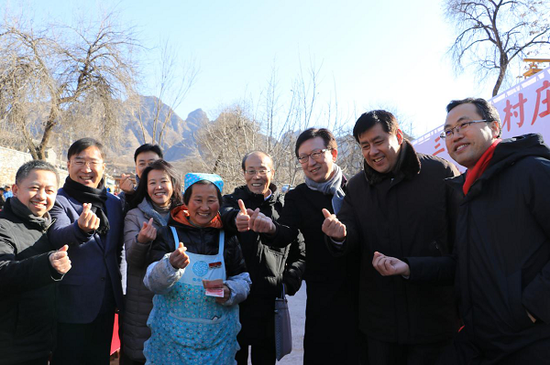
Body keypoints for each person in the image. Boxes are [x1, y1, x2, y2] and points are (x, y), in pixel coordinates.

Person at [372, 98, 550, 364]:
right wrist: (408, 267)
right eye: (449, 131)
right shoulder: (466, 192)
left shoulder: (533, 171)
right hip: (483, 340)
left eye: (464, 125)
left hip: (532, 341)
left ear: (495, 127)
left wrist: (532, 309)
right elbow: (464, 265)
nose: (455, 135)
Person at [321, 110, 460, 365]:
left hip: (435, 319)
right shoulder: (357, 187)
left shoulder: (439, 173)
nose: (372, 151)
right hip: (381, 323)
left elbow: (463, 240)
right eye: (365, 146)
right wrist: (340, 235)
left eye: (378, 141)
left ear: (398, 135)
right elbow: (350, 232)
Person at [245, 128, 362, 364]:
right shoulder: (298, 196)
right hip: (323, 292)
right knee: (322, 352)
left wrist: (343, 235)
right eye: (304, 157)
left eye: (316, 153)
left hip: (362, 287)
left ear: (334, 153)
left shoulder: (357, 189)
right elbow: (286, 232)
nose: (310, 162)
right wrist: (270, 228)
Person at [144, 173, 251, 364]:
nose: (204, 207)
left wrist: (230, 291)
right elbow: (152, 283)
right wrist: (169, 266)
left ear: (219, 203)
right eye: (198, 200)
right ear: (186, 202)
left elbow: (243, 279)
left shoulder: (227, 238)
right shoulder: (167, 234)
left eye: (211, 200)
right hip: (171, 342)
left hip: (217, 341)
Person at [221, 151, 306, 365]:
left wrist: (287, 284)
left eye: (262, 170)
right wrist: (235, 219)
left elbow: (300, 253)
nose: (256, 176)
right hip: (233, 302)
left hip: (269, 303)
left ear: (272, 173)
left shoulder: (286, 208)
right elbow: (222, 216)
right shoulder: (229, 202)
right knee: (232, 360)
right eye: (251, 171)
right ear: (244, 174)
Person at [49, 138, 124, 365]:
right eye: (79, 161)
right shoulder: (58, 200)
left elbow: (115, 250)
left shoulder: (113, 202)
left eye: (93, 162)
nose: (86, 169)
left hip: (106, 302)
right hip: (72, 303)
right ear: (68, 164)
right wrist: (79, 229)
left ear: (103, 166)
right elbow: (57, 234)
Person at [0, 160, 72, 365]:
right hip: (11, 346)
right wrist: (47, 265)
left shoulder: (48, 228)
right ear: (15, 189)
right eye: (34, 188)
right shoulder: (4, 226)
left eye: (49, 190)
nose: (42, 196)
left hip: (42, 341)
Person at [121, 159, 183, 365]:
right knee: (143, 355)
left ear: (173, 184)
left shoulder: (186, 215)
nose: (158, 187)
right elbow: (132, 258)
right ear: (145, 187)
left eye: (163, 181)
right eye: (151, 182)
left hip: (179, 301)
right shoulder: (135, 216)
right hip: (143, 302)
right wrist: (142, 241)